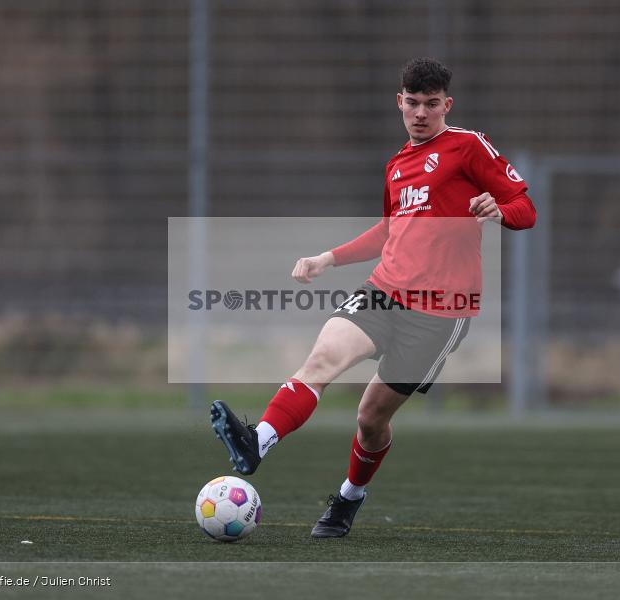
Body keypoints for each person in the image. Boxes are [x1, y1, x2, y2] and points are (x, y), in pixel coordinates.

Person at [210, 57, 536, 538]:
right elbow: (389, 231)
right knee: (321, 359)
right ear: (399, 102)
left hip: (439, 314)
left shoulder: (468, 147)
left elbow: (526, 209)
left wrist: (499, 209)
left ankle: (347, 499)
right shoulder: (398, 165)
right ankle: (258, 441)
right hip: (384, 291)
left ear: (447, 105)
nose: (420, 113)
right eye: (412, 103)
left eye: (431, 104)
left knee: (369, 420)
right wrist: (329, 259)